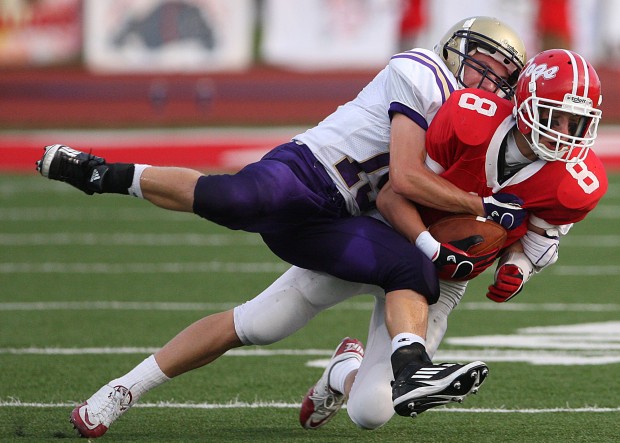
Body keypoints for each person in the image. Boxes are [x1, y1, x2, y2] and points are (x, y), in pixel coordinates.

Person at [36, 17, 527, 438]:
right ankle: (102, 177)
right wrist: (477, 203)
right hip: (310, 173)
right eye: (479, 64)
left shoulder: (492, 135)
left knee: (406, 280)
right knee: (234, 199)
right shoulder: (422, 73)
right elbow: (404, 175)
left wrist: (516, 260)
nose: (483, 80)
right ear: (456, 50)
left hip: (347, 220)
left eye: (497, 78)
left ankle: (358, 372)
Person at [302, 48, 608, 430]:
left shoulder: (577, 182)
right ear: (526, 104)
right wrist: (431, 242)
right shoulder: (471, 118)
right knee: (266, 321)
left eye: (575, 122)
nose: (562, 133)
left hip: (448, 274)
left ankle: (344, 369)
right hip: (387, 231)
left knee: (370, 412)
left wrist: (518, 268)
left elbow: (535, 247)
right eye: (554, 116)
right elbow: (401, 191)